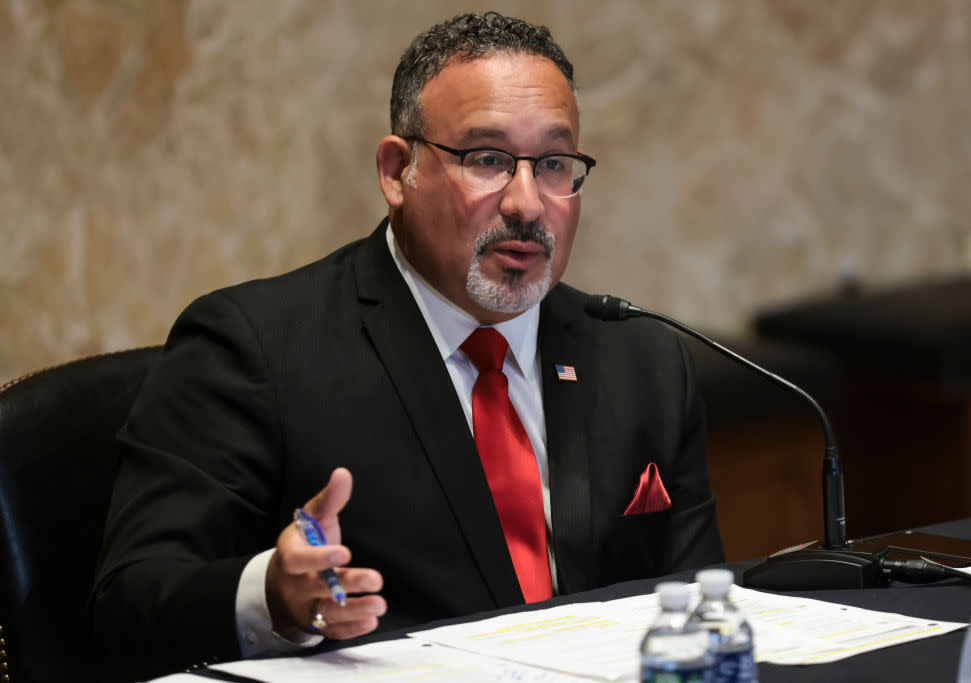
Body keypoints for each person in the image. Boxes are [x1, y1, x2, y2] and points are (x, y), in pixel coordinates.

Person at [90, 11, 724, 682]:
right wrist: (270, 596)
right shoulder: (254, 349)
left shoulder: (642, 360)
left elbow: (702, 611)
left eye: (554, 164)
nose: (527, 202)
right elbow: (127, 605)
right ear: (398, 171)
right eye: (487, 159)